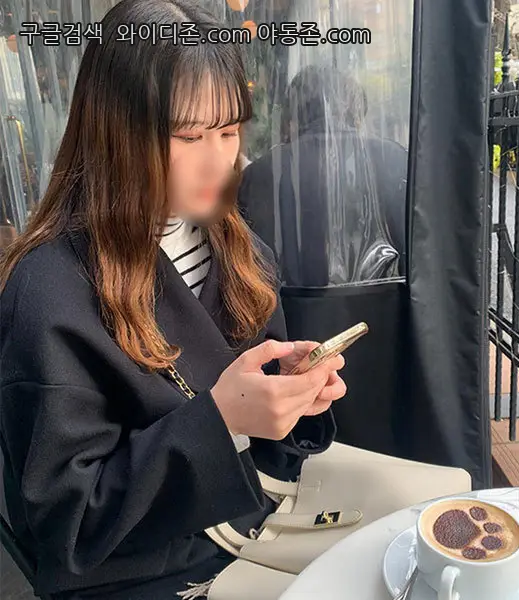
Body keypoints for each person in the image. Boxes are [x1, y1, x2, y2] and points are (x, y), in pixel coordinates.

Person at [0, 2, 346, 599]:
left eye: (229, 132)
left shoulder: (240, 249)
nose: (220, 160)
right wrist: (221, 421)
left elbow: (271, 458)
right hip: (146, 575)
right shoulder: (48, 290)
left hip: (258, 527)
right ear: (114, 130)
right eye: (188, 135)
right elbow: (66, 521)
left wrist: (292, 397)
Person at [239, 65, 409, 287]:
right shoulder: (395, 160)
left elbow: (242, 265)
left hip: (285, 309)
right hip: (387, 307)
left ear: (292, 117)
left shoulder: (259, 175)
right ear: (352, 110)